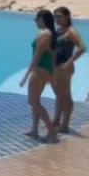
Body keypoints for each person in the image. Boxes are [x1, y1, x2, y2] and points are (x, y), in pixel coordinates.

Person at [19, 9, 59, 142]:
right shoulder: (51, 34)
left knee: (33, 101)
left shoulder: (44, 34)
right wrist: (51, 73)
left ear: (42, 19)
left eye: (36, 19)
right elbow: (53, 56)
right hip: (46, 70)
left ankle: (51, 131)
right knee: (36, 101)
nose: (35, 21)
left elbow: (36, 57)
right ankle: (34, 130)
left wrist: (25, 76)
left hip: (40, 70)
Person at [52, 6, 87, 134]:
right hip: (56, 67)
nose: (57, 19)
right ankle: (56, 120)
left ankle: (65, 125)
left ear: (67, 17)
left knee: (66, 96)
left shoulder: (71, 31)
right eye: (55, 17)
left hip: (64, 67)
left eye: (60, 17)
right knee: (58, 95)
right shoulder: (59, 30)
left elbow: (82, 48)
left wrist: (69, 62)